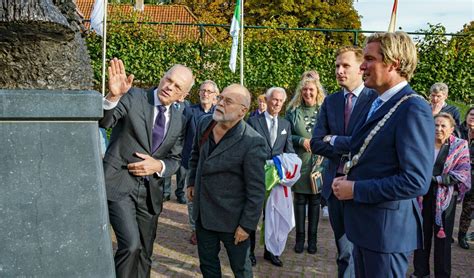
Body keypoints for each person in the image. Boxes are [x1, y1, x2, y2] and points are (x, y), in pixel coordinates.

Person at [331, 32, 435, 277]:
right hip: (368, 228)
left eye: (369, 58)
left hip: (386, 234)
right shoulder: (378, 102)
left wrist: (356, 189)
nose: (363, 65)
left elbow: (416, 181)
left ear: (393, 63)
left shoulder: (413, 108)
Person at [99, 58, 192, 278]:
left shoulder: (180, 118)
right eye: (168, 79)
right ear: (162, 77)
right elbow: (104, 122)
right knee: (130, 245)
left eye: (177, 86)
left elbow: (175, 160)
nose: (169, 86)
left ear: (183, 95)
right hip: (118, 184)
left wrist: (157, 165)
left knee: (144, 253)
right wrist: (113, 97)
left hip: (151, 194)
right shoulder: (133, 95)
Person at [186, 84, 267, 277]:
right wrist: (191, 181)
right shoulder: (205, 123)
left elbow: (256, 190)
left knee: (241, 269)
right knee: (208, 266)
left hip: (232, 221)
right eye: (220, 98)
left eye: (228, 101)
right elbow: (195, 154)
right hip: (203, 215)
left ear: (242, 111)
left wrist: (246, 226)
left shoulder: (252, 141)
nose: (220, 103)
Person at [311, 46, 377, 278]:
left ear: (361, 69)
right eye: (337, 66)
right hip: (335, 188)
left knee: (358, 253)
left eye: (345, 66)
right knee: (343, 252)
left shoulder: (375, 100)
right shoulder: (331, 102)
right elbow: (317, 143)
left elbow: (371, 144)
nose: (339, 70)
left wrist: (336, 140)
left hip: (362, 187)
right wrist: (350, 144)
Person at [412, 113, 471, 278]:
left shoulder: (460, 146)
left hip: (445, 198)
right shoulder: (423, 144)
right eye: (435, 125)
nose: (438, 129)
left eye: (443, 126)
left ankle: (442, 274)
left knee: (443, 241)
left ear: (452, 129)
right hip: (422, 196)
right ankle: (420, 272)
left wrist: (437, 179)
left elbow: (463, 173)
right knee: (421, 236)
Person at [247, 87, 295, 267]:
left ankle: (270, 251)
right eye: (274, 100)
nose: (276, 103)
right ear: (267, 101)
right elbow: (248, 149)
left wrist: (285, 170)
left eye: (280, 101)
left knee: (272, 218)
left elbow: (289, 151)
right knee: (253, 215)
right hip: (256, 177)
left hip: (275, 181)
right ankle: (249, 252)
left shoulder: (285, 125)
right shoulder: (253, 122)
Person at [285, 75, 325, 255]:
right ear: (300, 92)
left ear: (317, 92)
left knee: (315, 202)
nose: (308, 93)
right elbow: (285, 135)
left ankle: (313, 240)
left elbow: (331, 133)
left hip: (319, 164)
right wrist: (300, 140)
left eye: (311, 90)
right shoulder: (292, 111)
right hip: (300, 163)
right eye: (305, 89)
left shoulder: (325, 110)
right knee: (300, 201)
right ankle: (300, 240)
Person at [181, 80, 219, 245]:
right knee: (191, 196)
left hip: (212, 163)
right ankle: (194, 229)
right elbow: (180, 134)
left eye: (209, 91)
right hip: (191, 161)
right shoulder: (189, 111)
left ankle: (209, 226)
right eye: (203, 90)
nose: (205, 94)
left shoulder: (219, 114)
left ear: (215, 96)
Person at [457, 106, 474, 249]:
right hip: (456, 174)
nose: (473, 117)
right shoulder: (457, 130)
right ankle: (445, 232)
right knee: (448, 207)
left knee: (468, 208)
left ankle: (462, 236)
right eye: (471, 114)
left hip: (472, 177)